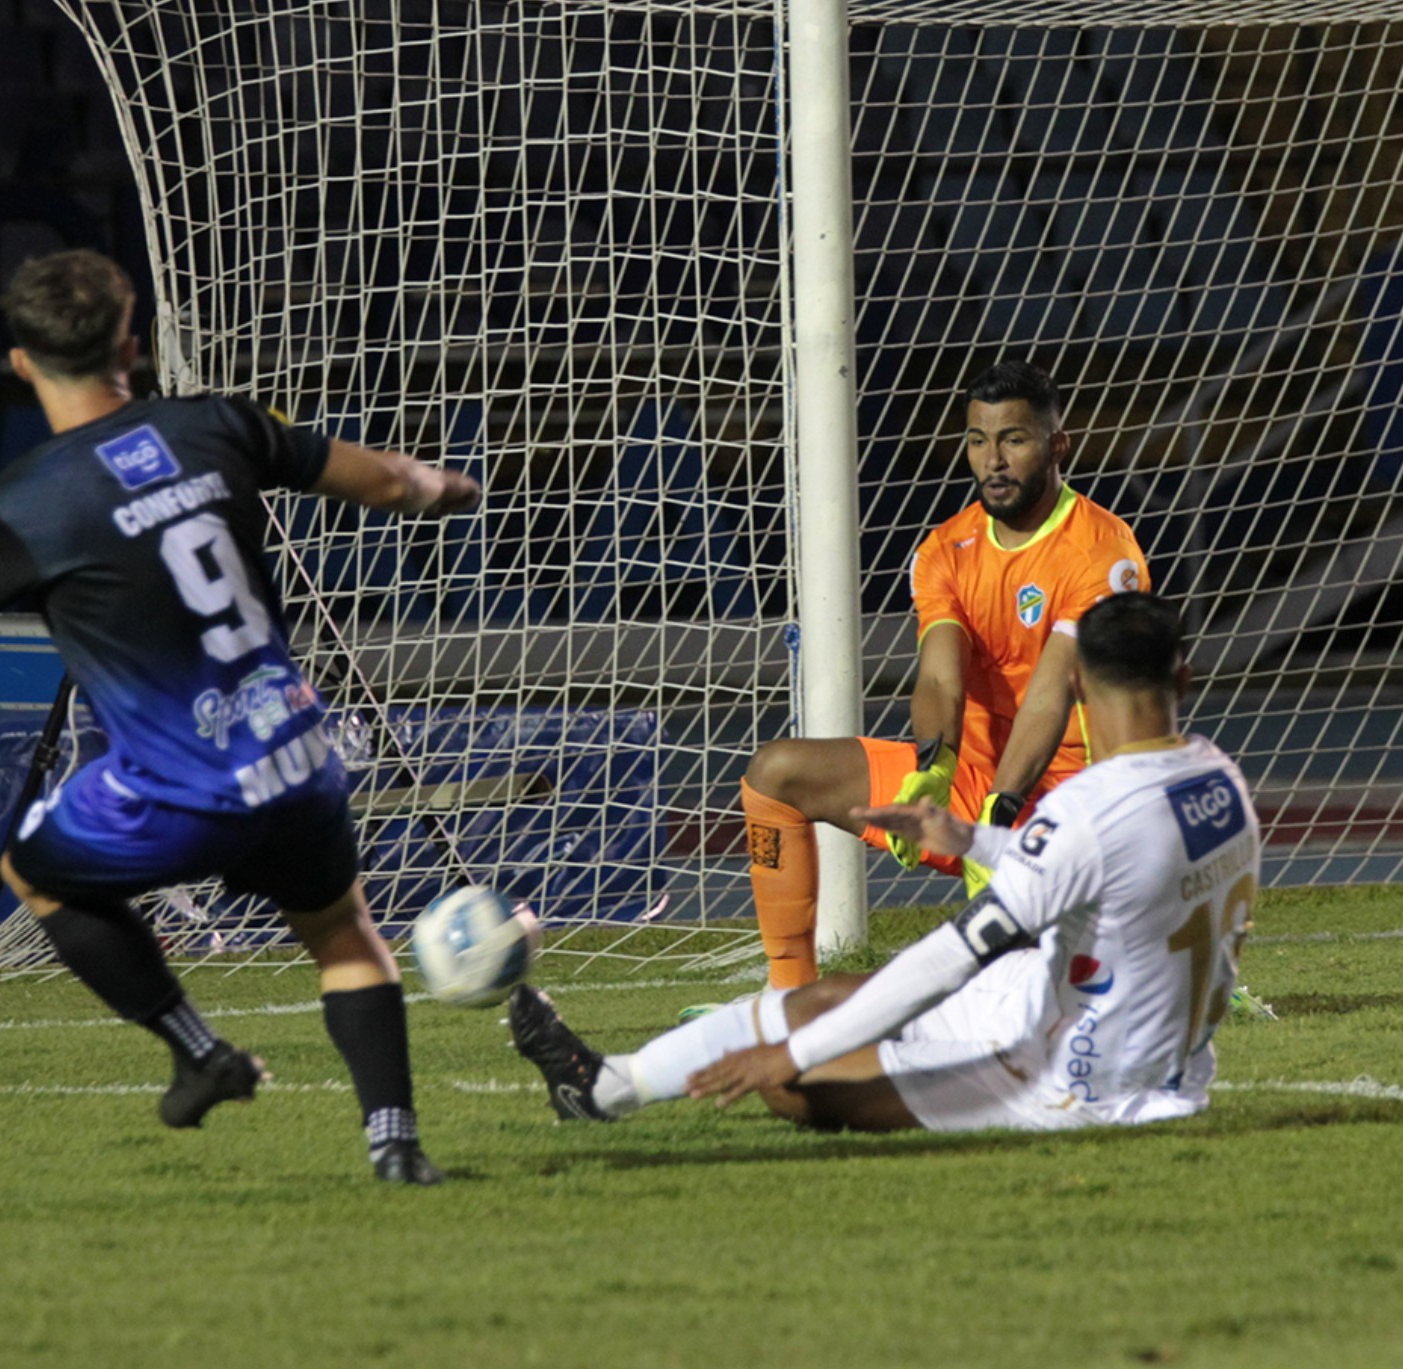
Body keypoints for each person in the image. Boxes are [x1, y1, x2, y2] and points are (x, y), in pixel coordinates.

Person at [0, 248, 480, 1183]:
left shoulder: (17, 506)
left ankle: (197, 1048)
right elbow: (392, 482)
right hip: (296, 756)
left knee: (35, 871)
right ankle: (395, 1143)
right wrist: (450, 489)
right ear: (130, 345)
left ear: (20, 362)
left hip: (173, 791)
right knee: (342, 932)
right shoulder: (218, 423)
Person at [507, 592, 1256, 1134]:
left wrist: (786, 1056)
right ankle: (607, 1084)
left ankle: (637, 1082)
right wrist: (970, 840)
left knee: (796, 1083)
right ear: (1182, 679)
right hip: (1104, 1021)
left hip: (1076, 1078)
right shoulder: (1220, 779)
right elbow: (1108, 870)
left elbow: (949, 959)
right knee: (823, 995)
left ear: (1076, 687)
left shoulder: (1090, 808)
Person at [735, 358, 1151, 987]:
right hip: (975, 786)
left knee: (1059, 991)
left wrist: (1000, 813)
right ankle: (787, 992)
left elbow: (1050, 694)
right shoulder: (945, 549)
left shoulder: (1103, 552)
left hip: (1071, 804)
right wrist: (934, 765)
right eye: (978, 441)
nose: (994, 460)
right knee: (777, 773)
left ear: (1057, 444)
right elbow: (938, 680)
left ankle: (1158, 958)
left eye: (1013, 439)